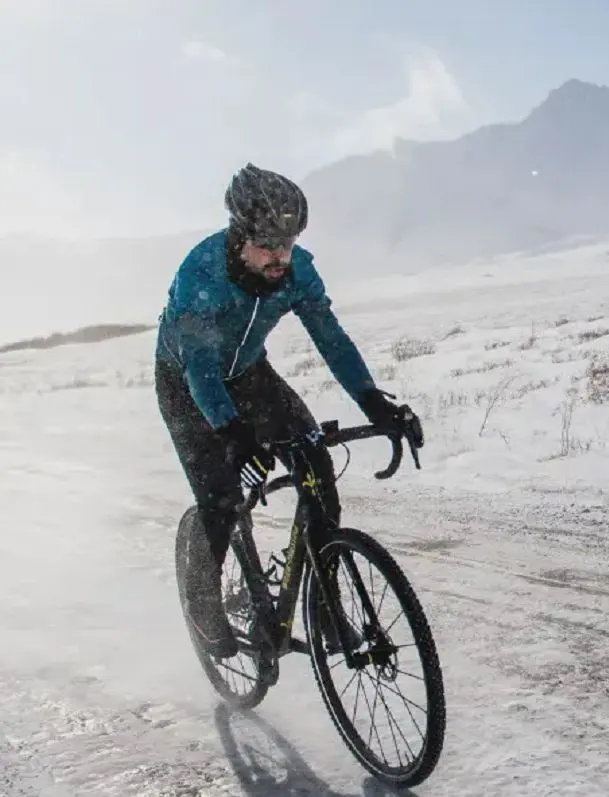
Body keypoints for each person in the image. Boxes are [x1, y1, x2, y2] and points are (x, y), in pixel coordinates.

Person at [154, 162, 415, 659]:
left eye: (289, 243)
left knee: (316, 462)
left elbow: (331, 339)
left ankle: (327, 610)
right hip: (187, 383)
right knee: (222, 499)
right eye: (269, 246)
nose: (281, 257)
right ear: (240, 236)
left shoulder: (298, 270)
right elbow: (202, 370)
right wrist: (231, 432)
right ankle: (203, 609)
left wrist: (373, 401)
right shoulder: (200, 274)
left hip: (250, 373)